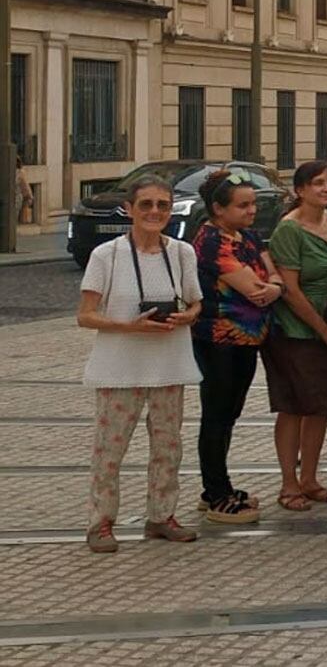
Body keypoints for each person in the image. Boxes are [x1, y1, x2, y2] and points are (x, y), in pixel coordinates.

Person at [77, 175, 204, 553]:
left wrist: (188, 316)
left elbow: (196, 303)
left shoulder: (182, 253)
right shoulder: (107, 255)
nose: (154, 212)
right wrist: (126, 326)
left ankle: (161, 516)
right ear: (129, 210)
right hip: (120, 368)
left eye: (162, 205)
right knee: (109, 451)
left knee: (168, 447)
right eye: (146, 205)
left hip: (169, 364)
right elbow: (85, 315)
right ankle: (100, 522)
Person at [265, 160, 327, 512]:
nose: (326, 188)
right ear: (300, 190)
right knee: (294, 405)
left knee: (320, 403)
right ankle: (288, 484)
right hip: (294, 330)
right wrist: (320, 329)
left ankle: (310, 478)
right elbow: (289, 290)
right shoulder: (289, 230)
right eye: (318, 183)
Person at [191, 169, 283, 524]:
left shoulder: (245, 236)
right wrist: (271, 288)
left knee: (229, 413)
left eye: (253, 204)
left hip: (247, 339)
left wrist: (273, 286)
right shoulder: (212, 241)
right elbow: (254, 287)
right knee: (216, 414)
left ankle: (218, 485)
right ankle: (216, 493)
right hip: (219, 339)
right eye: (243, 205)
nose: (251, 211)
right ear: (218, 208)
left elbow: (271, 277)